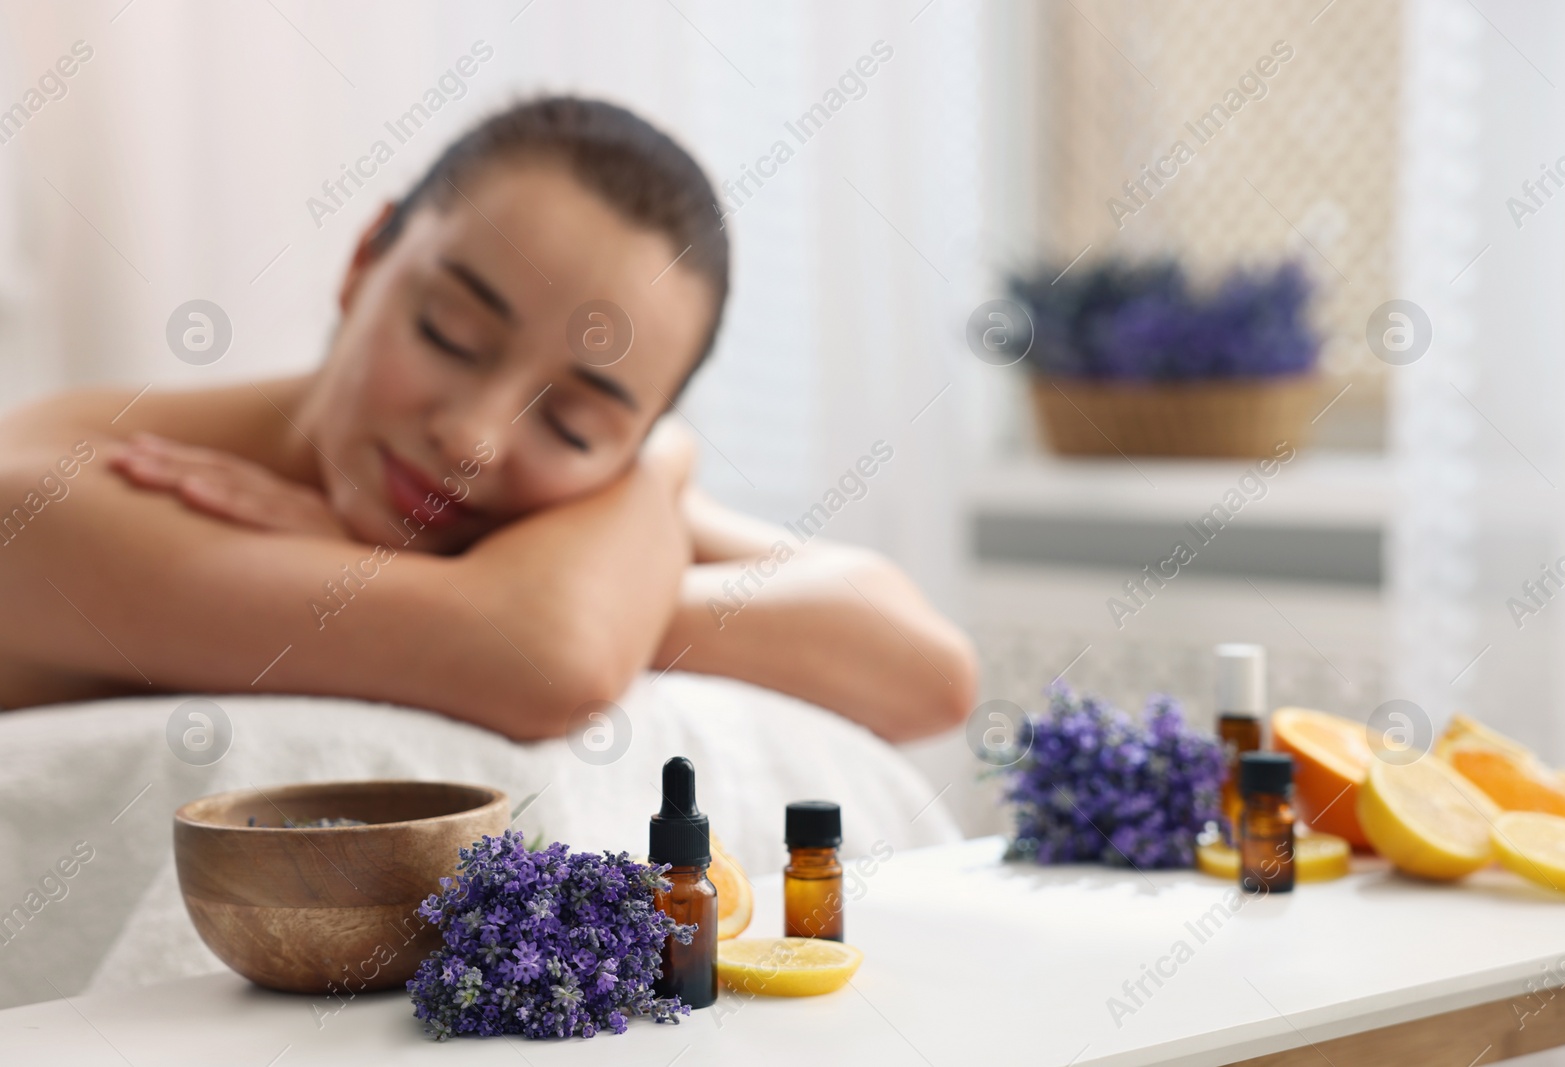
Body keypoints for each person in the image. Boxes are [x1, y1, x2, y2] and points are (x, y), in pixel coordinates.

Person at [0, 96, 976, 743]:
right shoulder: (53, 496)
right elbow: (545, 654)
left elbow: (924, 669)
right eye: (451, 333)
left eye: (577, 427)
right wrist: (637, 488)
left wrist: (641, 479)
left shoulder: (565, 514)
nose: (472, 439)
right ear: (365, 257)